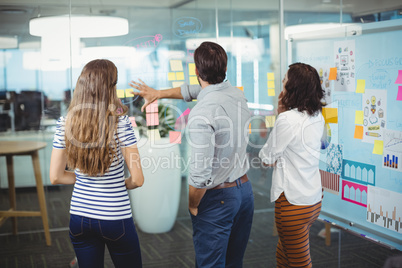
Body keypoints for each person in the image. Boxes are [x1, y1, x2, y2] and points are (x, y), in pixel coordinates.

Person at [130, 41, 254, 268]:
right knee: (234, 262)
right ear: (224, 69)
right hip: (244, 192)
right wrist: (158, 93)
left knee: (211, 264)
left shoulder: (201, 114)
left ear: (197, 71)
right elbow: (194, 90)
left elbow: (199, 175)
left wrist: (192, 204)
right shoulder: (236, 94)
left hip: (218, 198)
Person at [50, 59, 144, 268]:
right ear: (111, 87)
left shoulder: (65, 124)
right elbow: (137, 180)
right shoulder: (122, 125)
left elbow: (56, 176)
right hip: (115, 218)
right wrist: (115, 183)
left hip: (79, 218)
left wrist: (85, 179)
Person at [259, 62, 325, 268]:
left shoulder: (287, 120)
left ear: (293, 87)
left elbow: (267, 157)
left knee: (299, 263)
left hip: (293, 205)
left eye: (285, 79)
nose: (282, 82)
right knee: (284, 255)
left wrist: (281, 114)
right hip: (312, 200)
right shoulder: (316, 115)